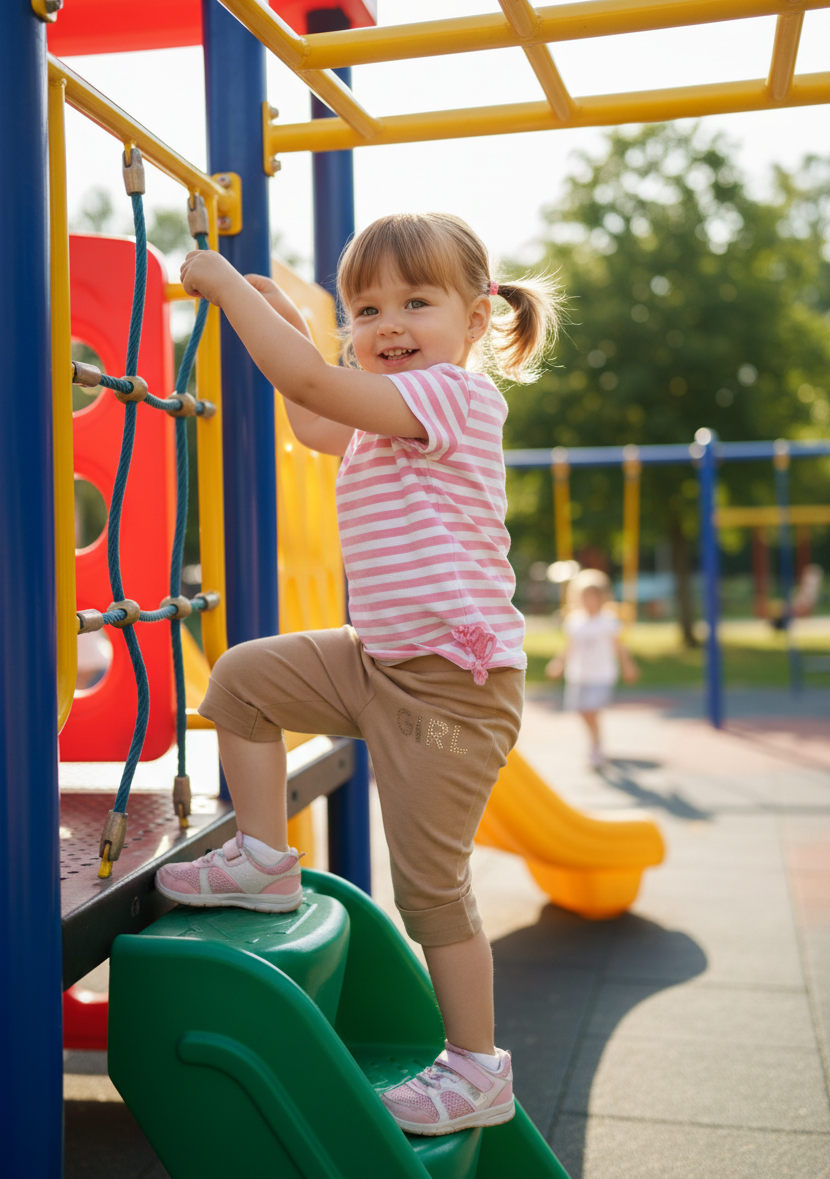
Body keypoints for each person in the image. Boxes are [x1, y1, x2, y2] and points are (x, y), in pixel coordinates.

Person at [155, 212, 560, 1137]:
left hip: (453, 688)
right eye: (365, 307)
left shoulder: (456, 399)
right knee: (246, 681)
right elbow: (310, 406)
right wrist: (290, 326)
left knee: (429, 886)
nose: (387, 324)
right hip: (374, 658)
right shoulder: (381, 415)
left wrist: (224, 289)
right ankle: (263, 857)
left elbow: (306, 383)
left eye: (416, 302)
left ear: (476, 316)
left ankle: (475, 1067)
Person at [545, 568, 639, 768]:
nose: (589, 601)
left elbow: (620, 648)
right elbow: (568, 647)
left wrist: (628, 666)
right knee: (581, 710)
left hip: (601, 674)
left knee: (592, 709)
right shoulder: (574, 621)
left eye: (594, 596)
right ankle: (595, 739)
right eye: (585, 596)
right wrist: (558, 663)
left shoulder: (609, 621)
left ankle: (595, 745)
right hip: (579, 674)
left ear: (602, 598)